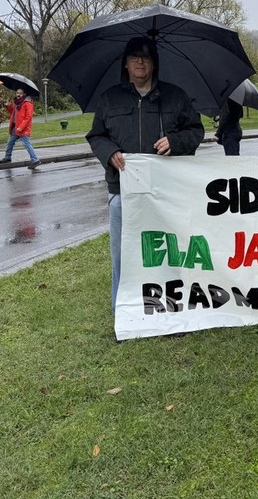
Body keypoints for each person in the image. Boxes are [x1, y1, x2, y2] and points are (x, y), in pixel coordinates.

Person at [87, 37, 205, 313]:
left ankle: (171, 307)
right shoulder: (109, 99)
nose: (140, 62)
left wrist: (175, 141)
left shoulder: (175, 97)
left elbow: (196, 131)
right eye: (134, 57)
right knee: (123, 256)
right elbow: (96, 135)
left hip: (166, 193)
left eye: (146, 57)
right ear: (126, 64)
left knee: (168, 253)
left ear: (154, 64)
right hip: (123, 193)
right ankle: (124, 312)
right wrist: (109, 152)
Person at [0, 88, 41, 168]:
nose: (18, 95)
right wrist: (7, 106)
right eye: (17, 93)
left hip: (23, 128)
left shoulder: (27, 103)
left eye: (20, 93)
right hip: (15, 127)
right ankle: (7, 157)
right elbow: (13, 112)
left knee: (27, 144)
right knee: (10, 142)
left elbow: (28, 117)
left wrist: (21, 127)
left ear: (24, 94)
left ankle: (35, 160)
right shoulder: (16, 103)